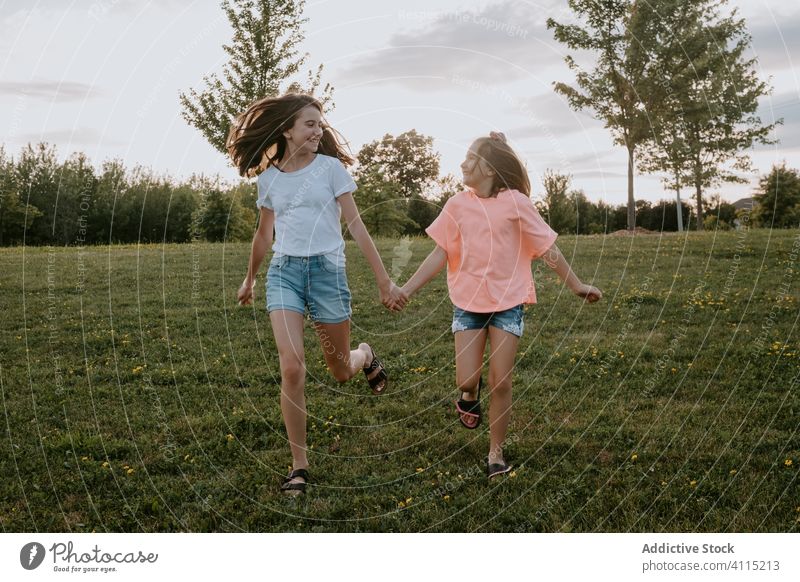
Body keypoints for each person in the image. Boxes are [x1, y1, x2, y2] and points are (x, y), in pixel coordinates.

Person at [228, 93, 407, 495]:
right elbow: (264, 233)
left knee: (341, 370)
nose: (317, 130)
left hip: (327, 274)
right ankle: (299, 466)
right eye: (309, 123)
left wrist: (383, 281)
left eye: (320, 124)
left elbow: (357, 225)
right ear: (287, 129)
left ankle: (365, 355)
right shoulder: (269, 178)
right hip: (285, 273)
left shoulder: (331, 169)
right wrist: (250, 279)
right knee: (292, 367)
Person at [400, 132, 602, 479]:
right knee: (469, 377)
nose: (463, 163)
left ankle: (496, 453)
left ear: (490, 169)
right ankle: (467, 395)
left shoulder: (517, 203)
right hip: (468, 303)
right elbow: (440, 253)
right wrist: (406, 289)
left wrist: (576, 284)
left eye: (471, 157)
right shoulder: (456, 205)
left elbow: (547, 249)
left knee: (501, 381)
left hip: (508, 303)